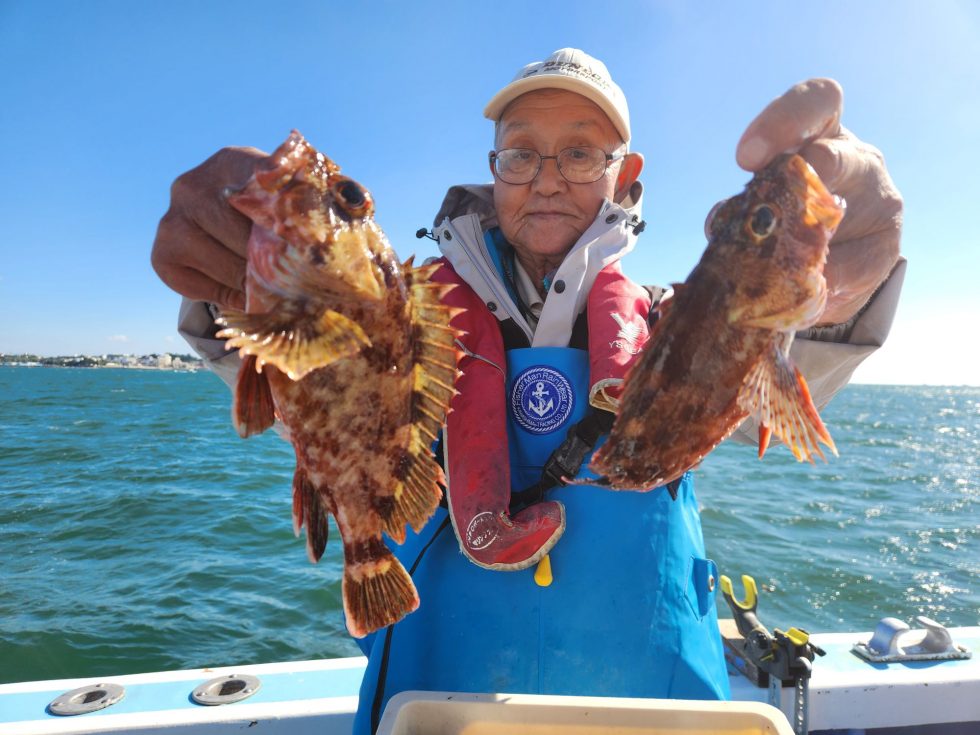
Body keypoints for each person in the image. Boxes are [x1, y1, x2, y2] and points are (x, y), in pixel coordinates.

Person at [152, 49, 905, 734]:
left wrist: (841, 285)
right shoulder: (394, 314)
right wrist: (230, 288)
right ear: (494, 168)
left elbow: (778, 354)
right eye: (522, 153)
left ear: (626, 172)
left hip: (659, 714)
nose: (547, 176)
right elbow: (289, 372)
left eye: (581, 152)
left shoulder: (679, 326)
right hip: (436, 712)